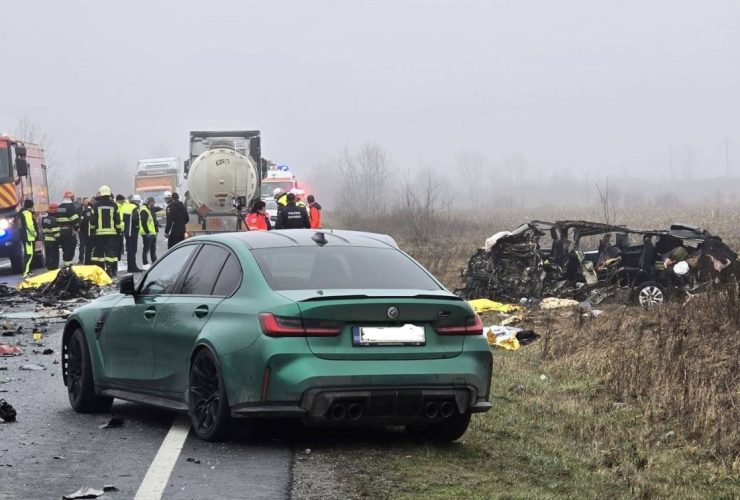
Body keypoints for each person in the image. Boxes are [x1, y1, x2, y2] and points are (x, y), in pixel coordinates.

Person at [90, 185, 122, 277]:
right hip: (112, 233)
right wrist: (118, 230)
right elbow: (117, 219)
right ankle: (110, 268)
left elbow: (92, 220)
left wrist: (92, 231)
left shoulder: (96, 205)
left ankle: (100, 270)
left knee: (99, 252)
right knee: (110, 252)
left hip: (99, 233)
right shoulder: (114, 205)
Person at [55, 190, 79, 267]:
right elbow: (75, 219)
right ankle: (68, 264)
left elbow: (56, 219)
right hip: (69, 230)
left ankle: (66, 262)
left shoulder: (59, 207)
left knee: (64, 247)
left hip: (60, 230)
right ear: (71, 198)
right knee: (70, 247)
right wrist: (77, 227)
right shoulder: (70, 206)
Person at [19, 199, 39, 278]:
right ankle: (26, 273)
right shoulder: (27, 213)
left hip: (25, 237)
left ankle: (29, 271)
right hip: (28, 237)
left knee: (29, 254)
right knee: (29, 255)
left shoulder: (21, 212)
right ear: (31, 206)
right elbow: (30, 225)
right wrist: (35, 233)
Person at [122, 195, 143, 272]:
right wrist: (137, 226)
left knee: (129, 250)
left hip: (127, 231)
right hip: (132, 231)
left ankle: (130, 267)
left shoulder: (127, 206)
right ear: (136, 201)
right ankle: (133, 267)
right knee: (133, 250)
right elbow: (136, 219)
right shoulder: (135, 208)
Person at [139, 196, 159, 267]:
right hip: (147, 233)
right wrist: (147, 232)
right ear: (150, 202)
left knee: (153, 249)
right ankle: (145, 263)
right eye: (153, 202)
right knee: (146, 249)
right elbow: (144, 223)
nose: (154, 203)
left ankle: (154, 261)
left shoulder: (148, 209)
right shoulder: (144, 210)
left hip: (152, 233)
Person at [41, 203, 61, 270]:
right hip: (53, 241)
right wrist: (59, 241)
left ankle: (49, 267)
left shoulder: (44, 219)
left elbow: (43, 230)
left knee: (48, 254)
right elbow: (56, 232)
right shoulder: (54, 220)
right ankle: (53, 268)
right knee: (54, 255)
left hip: (47, 239)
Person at [78, 197, 94, 264]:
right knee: (82, 245)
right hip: (82, 230)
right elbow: (78, 218)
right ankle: (81, 259)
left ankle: (89, 259)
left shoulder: (91, 209)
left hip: (89, 230)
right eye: (85, 201)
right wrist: (78, 227)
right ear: (83, 202)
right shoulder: (79, 209)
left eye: (88, 201)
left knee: (89, 245)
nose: (87, 202)